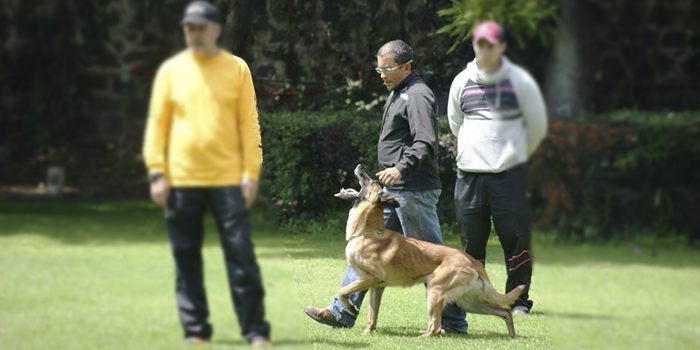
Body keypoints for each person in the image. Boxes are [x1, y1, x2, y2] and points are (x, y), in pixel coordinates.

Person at [303, 40, 469, 334]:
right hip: (393, 192)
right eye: (378, 69)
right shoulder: (398, 92)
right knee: (363, 250)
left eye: (387, 69)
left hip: (413, 189)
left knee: (432, 256)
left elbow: (425, 143)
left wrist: (399, 167)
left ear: (406, 66)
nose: (381, 75)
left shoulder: (417, 95)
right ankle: (340, 311)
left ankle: (454, 323)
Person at [142, 1, 270, 346]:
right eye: (189, 27)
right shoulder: (171, 71)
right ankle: (195, 330)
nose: (194, 33)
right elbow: (157, 125)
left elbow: (248, 122)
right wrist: (157, 172)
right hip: (181, 180)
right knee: (185, 257)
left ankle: (255, 330)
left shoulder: (237, 68)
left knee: (240, 253)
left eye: (200, 27)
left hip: (229, 178)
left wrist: (251, 172)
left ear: (215, 29)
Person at [447, 20, 548, 315]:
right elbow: (456, 123)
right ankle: (475, 299)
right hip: (470, 177)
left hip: (510, 177)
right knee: (471, 243)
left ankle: (519, 300)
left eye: (491, 44)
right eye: (480, 43)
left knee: (516, 239)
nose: (485, 49)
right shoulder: (461, 81)